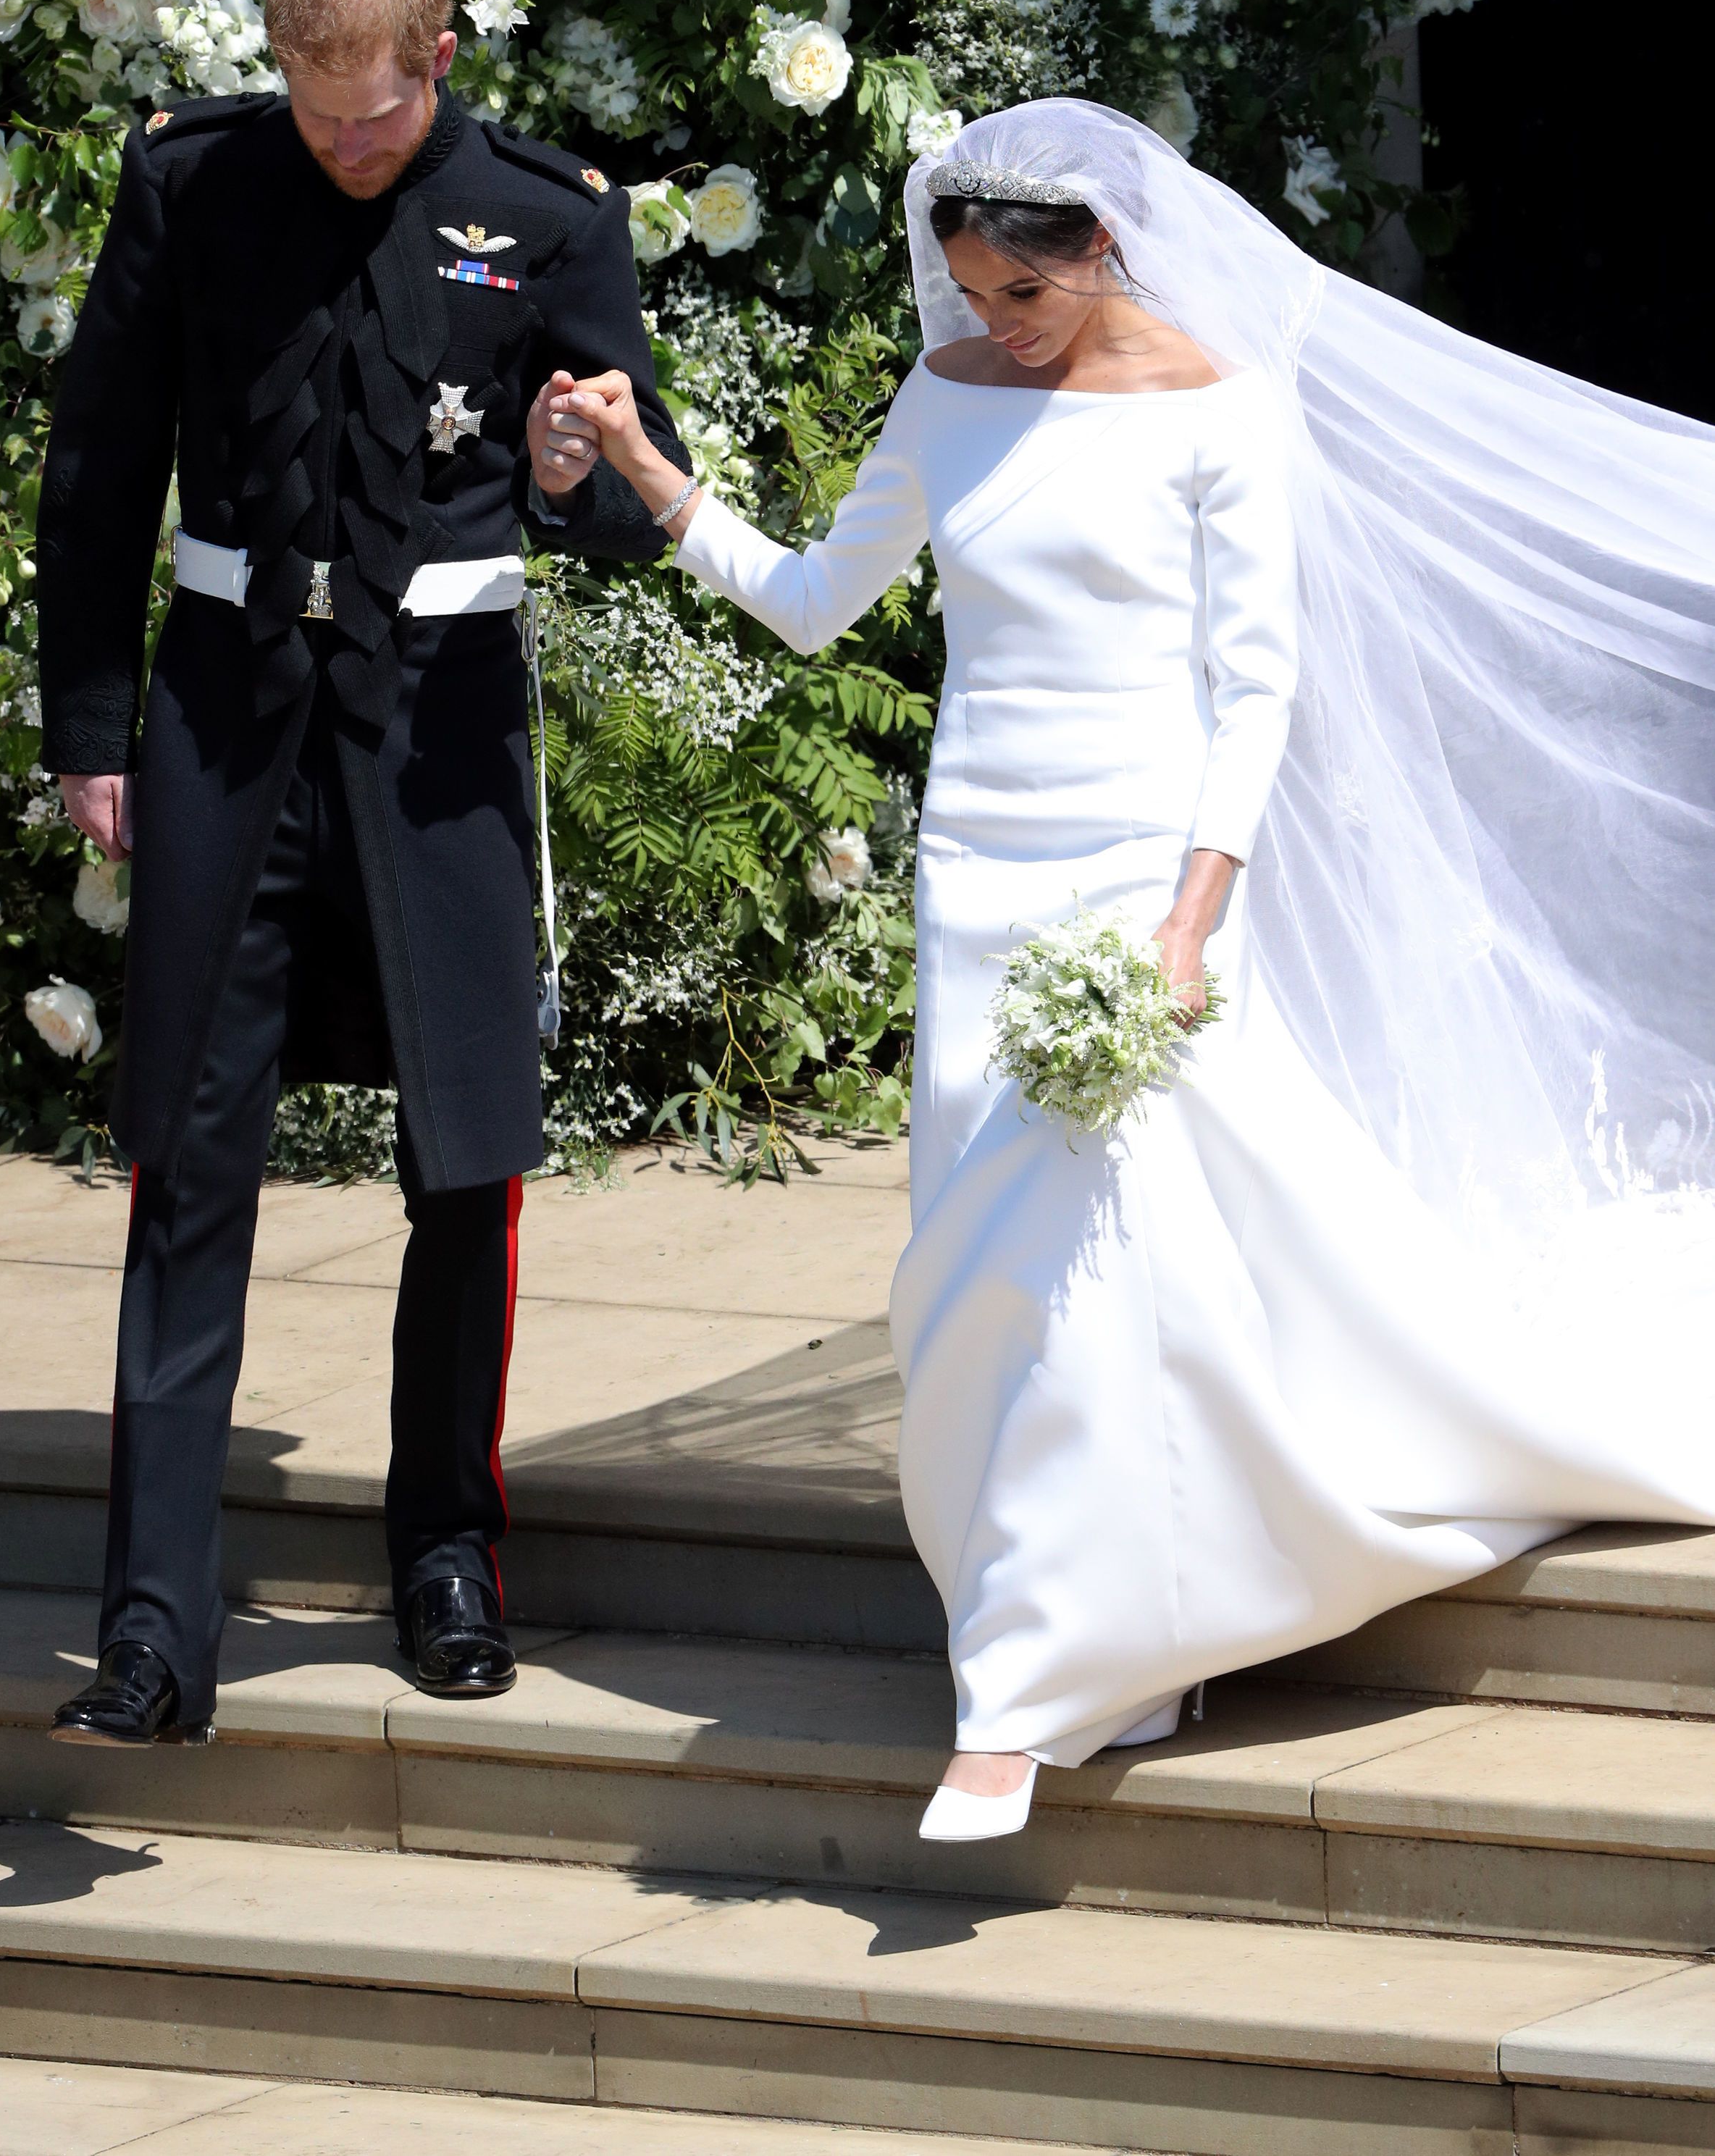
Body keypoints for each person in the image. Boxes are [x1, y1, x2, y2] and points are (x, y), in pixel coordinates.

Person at [530, 98, 1715, 1840]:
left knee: (1086, 1249)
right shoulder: (945, 401)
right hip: (975, 871)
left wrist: (1186, 918)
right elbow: (805, 599)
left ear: (1101, 250)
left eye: (1017, 288)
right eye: (962, 287)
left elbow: (1257, 686)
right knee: (997, 1248)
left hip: (1134, 870)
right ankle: (1117, 1612)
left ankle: (1029, 1682)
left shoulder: (1219, 409)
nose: (987, 318)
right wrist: (642, 465)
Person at [36, 0, 687, 1746]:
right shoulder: (193, 181)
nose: (342, 146)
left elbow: (627, 501)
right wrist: (89, 722)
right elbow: (101, 457)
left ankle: (447, 1558)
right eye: (315, 112)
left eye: (376, 119)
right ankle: (156, 1630)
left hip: (438, 737)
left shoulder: (553, 217)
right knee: (186, 1152)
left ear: (445, 62)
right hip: (225, 722)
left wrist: (578, 477)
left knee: (461, 1158)